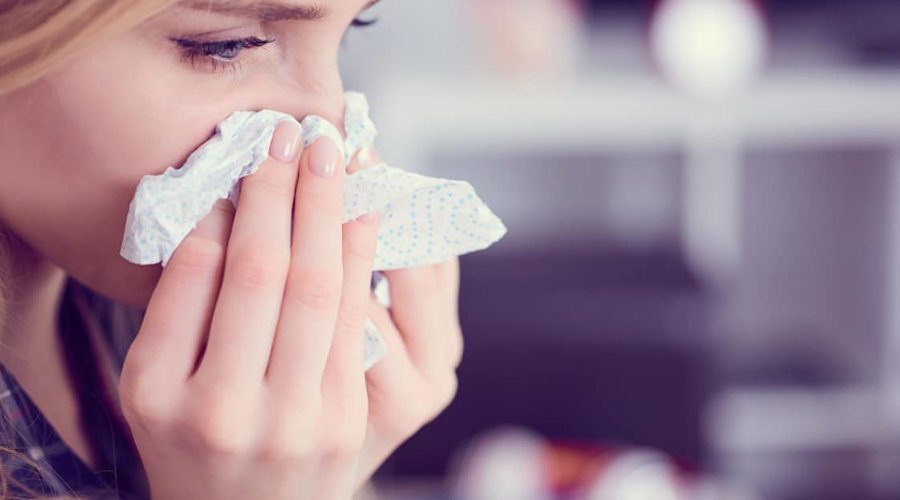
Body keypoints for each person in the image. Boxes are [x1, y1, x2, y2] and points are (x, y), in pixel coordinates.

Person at [0, 0, 464, 498]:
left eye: (349, 32)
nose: (331, 128)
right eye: (226, 46)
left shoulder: (159, 328)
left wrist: (331, 468)